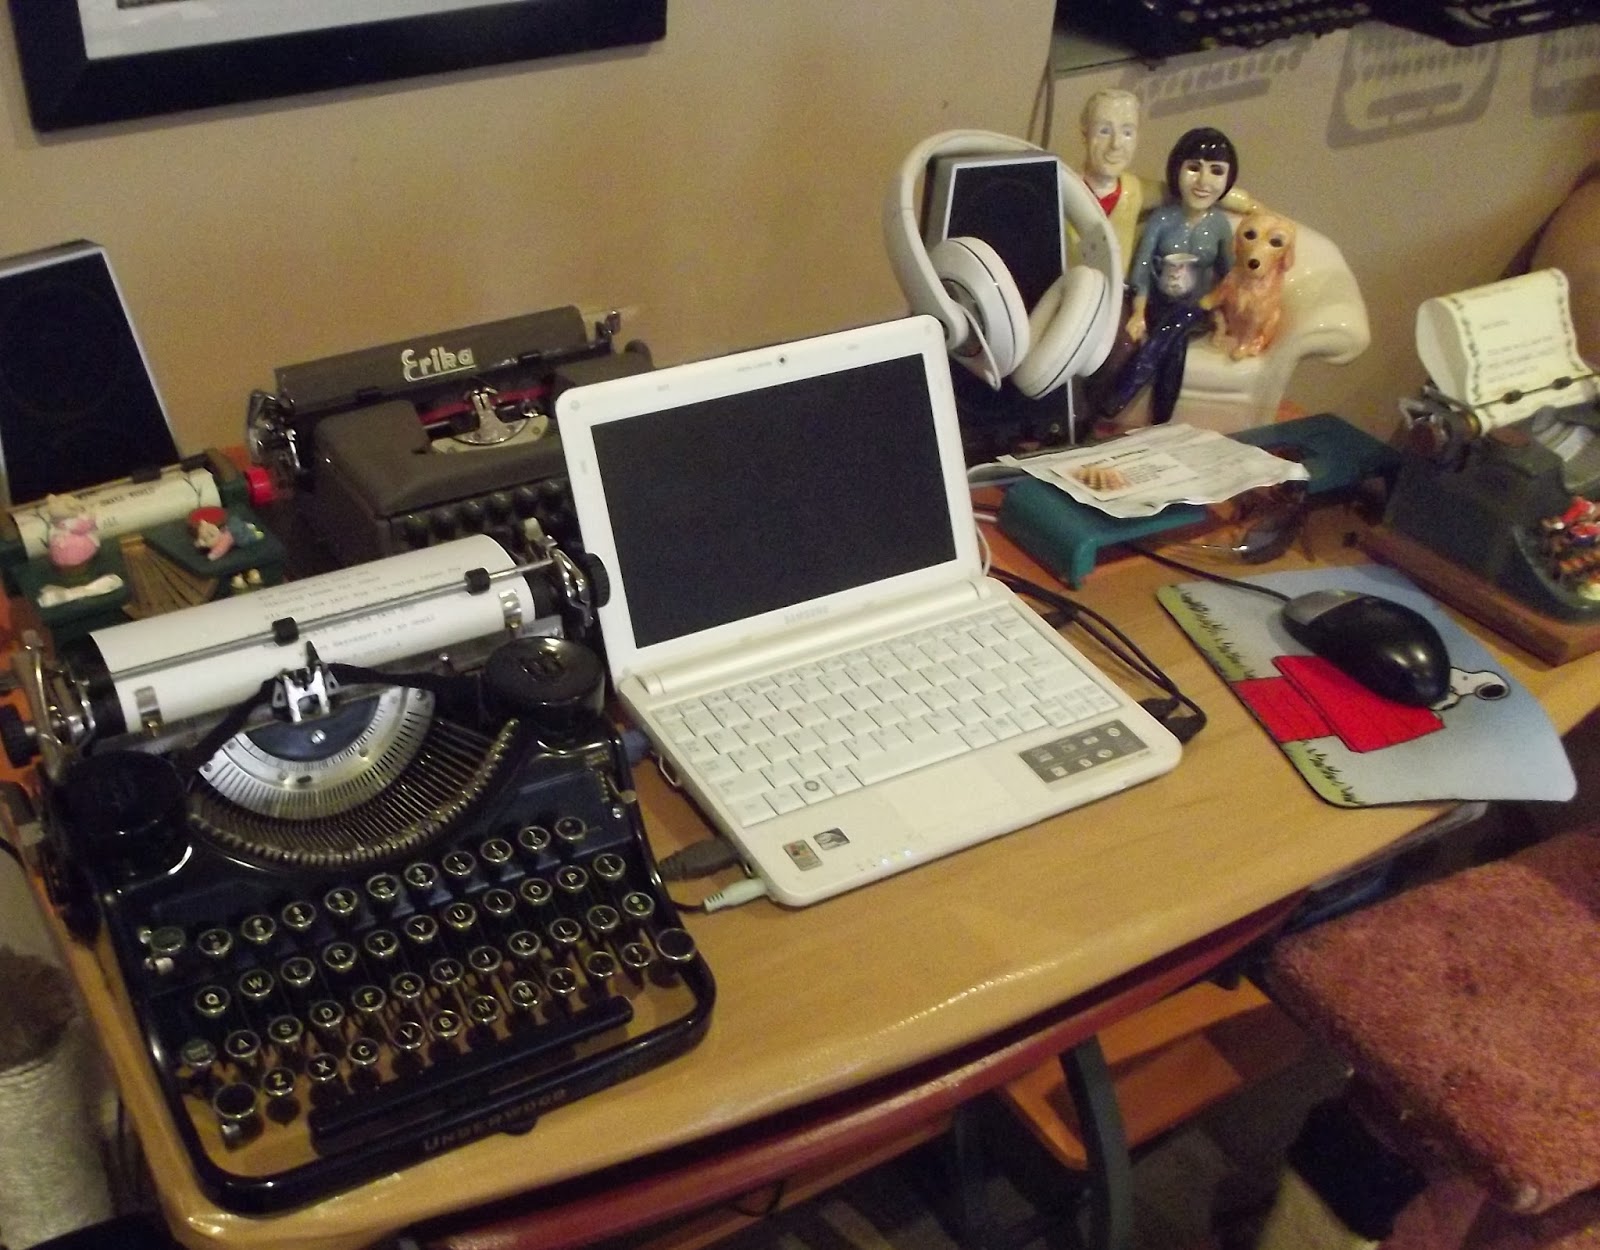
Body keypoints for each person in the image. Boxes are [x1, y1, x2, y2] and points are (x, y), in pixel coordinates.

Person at [1099, 127, 1242, 426]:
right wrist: (1138, 312)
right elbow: (1140, 267)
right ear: (1177, 170)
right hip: (1159, 305)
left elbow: (1229, 273)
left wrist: (1222, 315)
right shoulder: (1162, 219)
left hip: (1198, 306)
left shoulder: (1218, 225)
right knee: (1173, 341)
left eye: (1216, 171)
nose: (1203, 181)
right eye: (1193, 168)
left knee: (1179, 321)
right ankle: (1161, 423)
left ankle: (1117, 398)